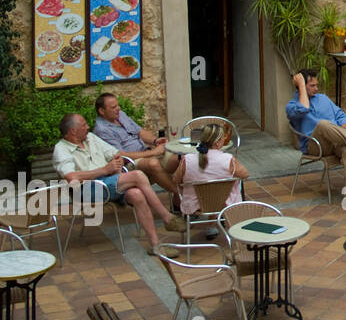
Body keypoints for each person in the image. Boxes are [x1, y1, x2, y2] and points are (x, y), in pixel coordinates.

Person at [52, 113, 185, 252]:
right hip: (86, 189)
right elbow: (71, 177)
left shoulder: (91, 138)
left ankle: (156, 246)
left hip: (108, 182)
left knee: (136, 194)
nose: (88, 127)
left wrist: (117, 161)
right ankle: (167, 217)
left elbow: (115, 153)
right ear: (73, 131)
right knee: (138, 175)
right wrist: (104, 170)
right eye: (84, 124)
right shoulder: (61, 149)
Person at [286, 68, 346, 211]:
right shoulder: (292, 106)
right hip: (315, 146)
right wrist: (301, 85)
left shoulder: (323, 99)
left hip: (337, 141)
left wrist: (344, 124)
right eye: (312, 86)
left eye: (317, 85)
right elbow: (304, 108)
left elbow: (340, 115)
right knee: (322, 124)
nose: (317, 88)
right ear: (301, 87)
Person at [93, 93, 181, 201]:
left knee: (179, 158)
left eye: (117, 105)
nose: (118, 109)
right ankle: (182, 196)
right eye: (113, 107)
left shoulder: (120, 115)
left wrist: (155, 140)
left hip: (146, 153)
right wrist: (153, 153)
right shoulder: (102, 130)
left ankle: (178, 199)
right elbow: (120, 155)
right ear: (102, 111)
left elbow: (139, 131)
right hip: (129, 164)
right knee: (153, 164)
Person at [173, 122, 248, 220]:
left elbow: (176, 180)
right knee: (236, 182)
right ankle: (214, 223)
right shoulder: (228, 160)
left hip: (194, 205)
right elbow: (245, 174)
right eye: (223, 138)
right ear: (217, 142)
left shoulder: (187, 160)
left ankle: (210, 223)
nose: (224, 139)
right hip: (224, 204)